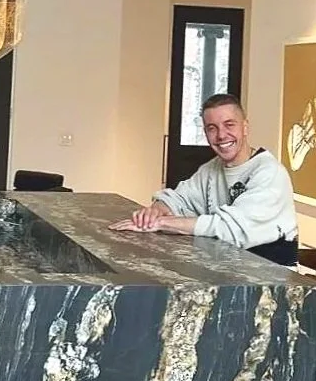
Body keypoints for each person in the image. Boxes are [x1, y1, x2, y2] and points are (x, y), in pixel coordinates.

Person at [110, 93, 299, 266]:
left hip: (273, 282)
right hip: (228, 270)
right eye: (212, 128)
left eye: (229, 124)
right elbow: (180, 198)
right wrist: (156, 210)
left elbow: (230, 229)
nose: (221, 135)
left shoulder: (269, 173)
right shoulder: (211, 169)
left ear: (245, 127)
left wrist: (160, 223)